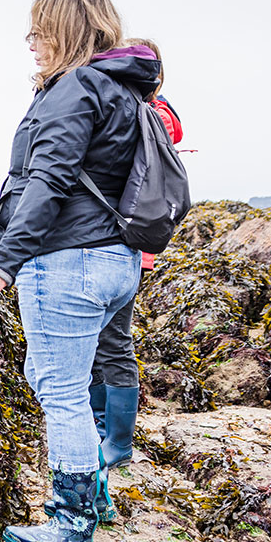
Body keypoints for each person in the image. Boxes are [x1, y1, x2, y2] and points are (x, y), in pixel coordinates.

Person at [0, 0, 160, 542]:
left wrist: (3, 260)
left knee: (62, 390)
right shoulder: (126, 92)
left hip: (69, 261)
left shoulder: (74, 88)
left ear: (66, 31)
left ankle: (71, 521)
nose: (32, 44)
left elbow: (48, 181)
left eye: (39, 31)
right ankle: (96, 495)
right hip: (117, 259)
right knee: (74, 380)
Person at [85, 38, 184, 472]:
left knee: (113, 342)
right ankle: (98, 425)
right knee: (98, 344)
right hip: (116, 248)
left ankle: (118, 441)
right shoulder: (142, 110)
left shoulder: (150, 112)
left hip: (126, 249)